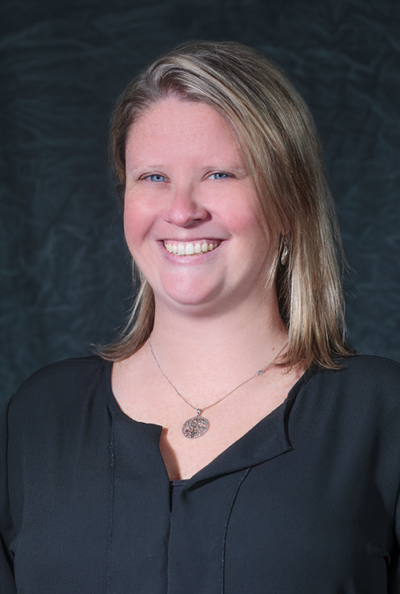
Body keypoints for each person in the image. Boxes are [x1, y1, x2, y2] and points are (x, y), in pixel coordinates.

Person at [1, 41, 399, 594]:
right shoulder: (41, 418)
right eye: (153, 178)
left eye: (219, 174)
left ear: (288, 203)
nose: (183, 211)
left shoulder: (379, 415)